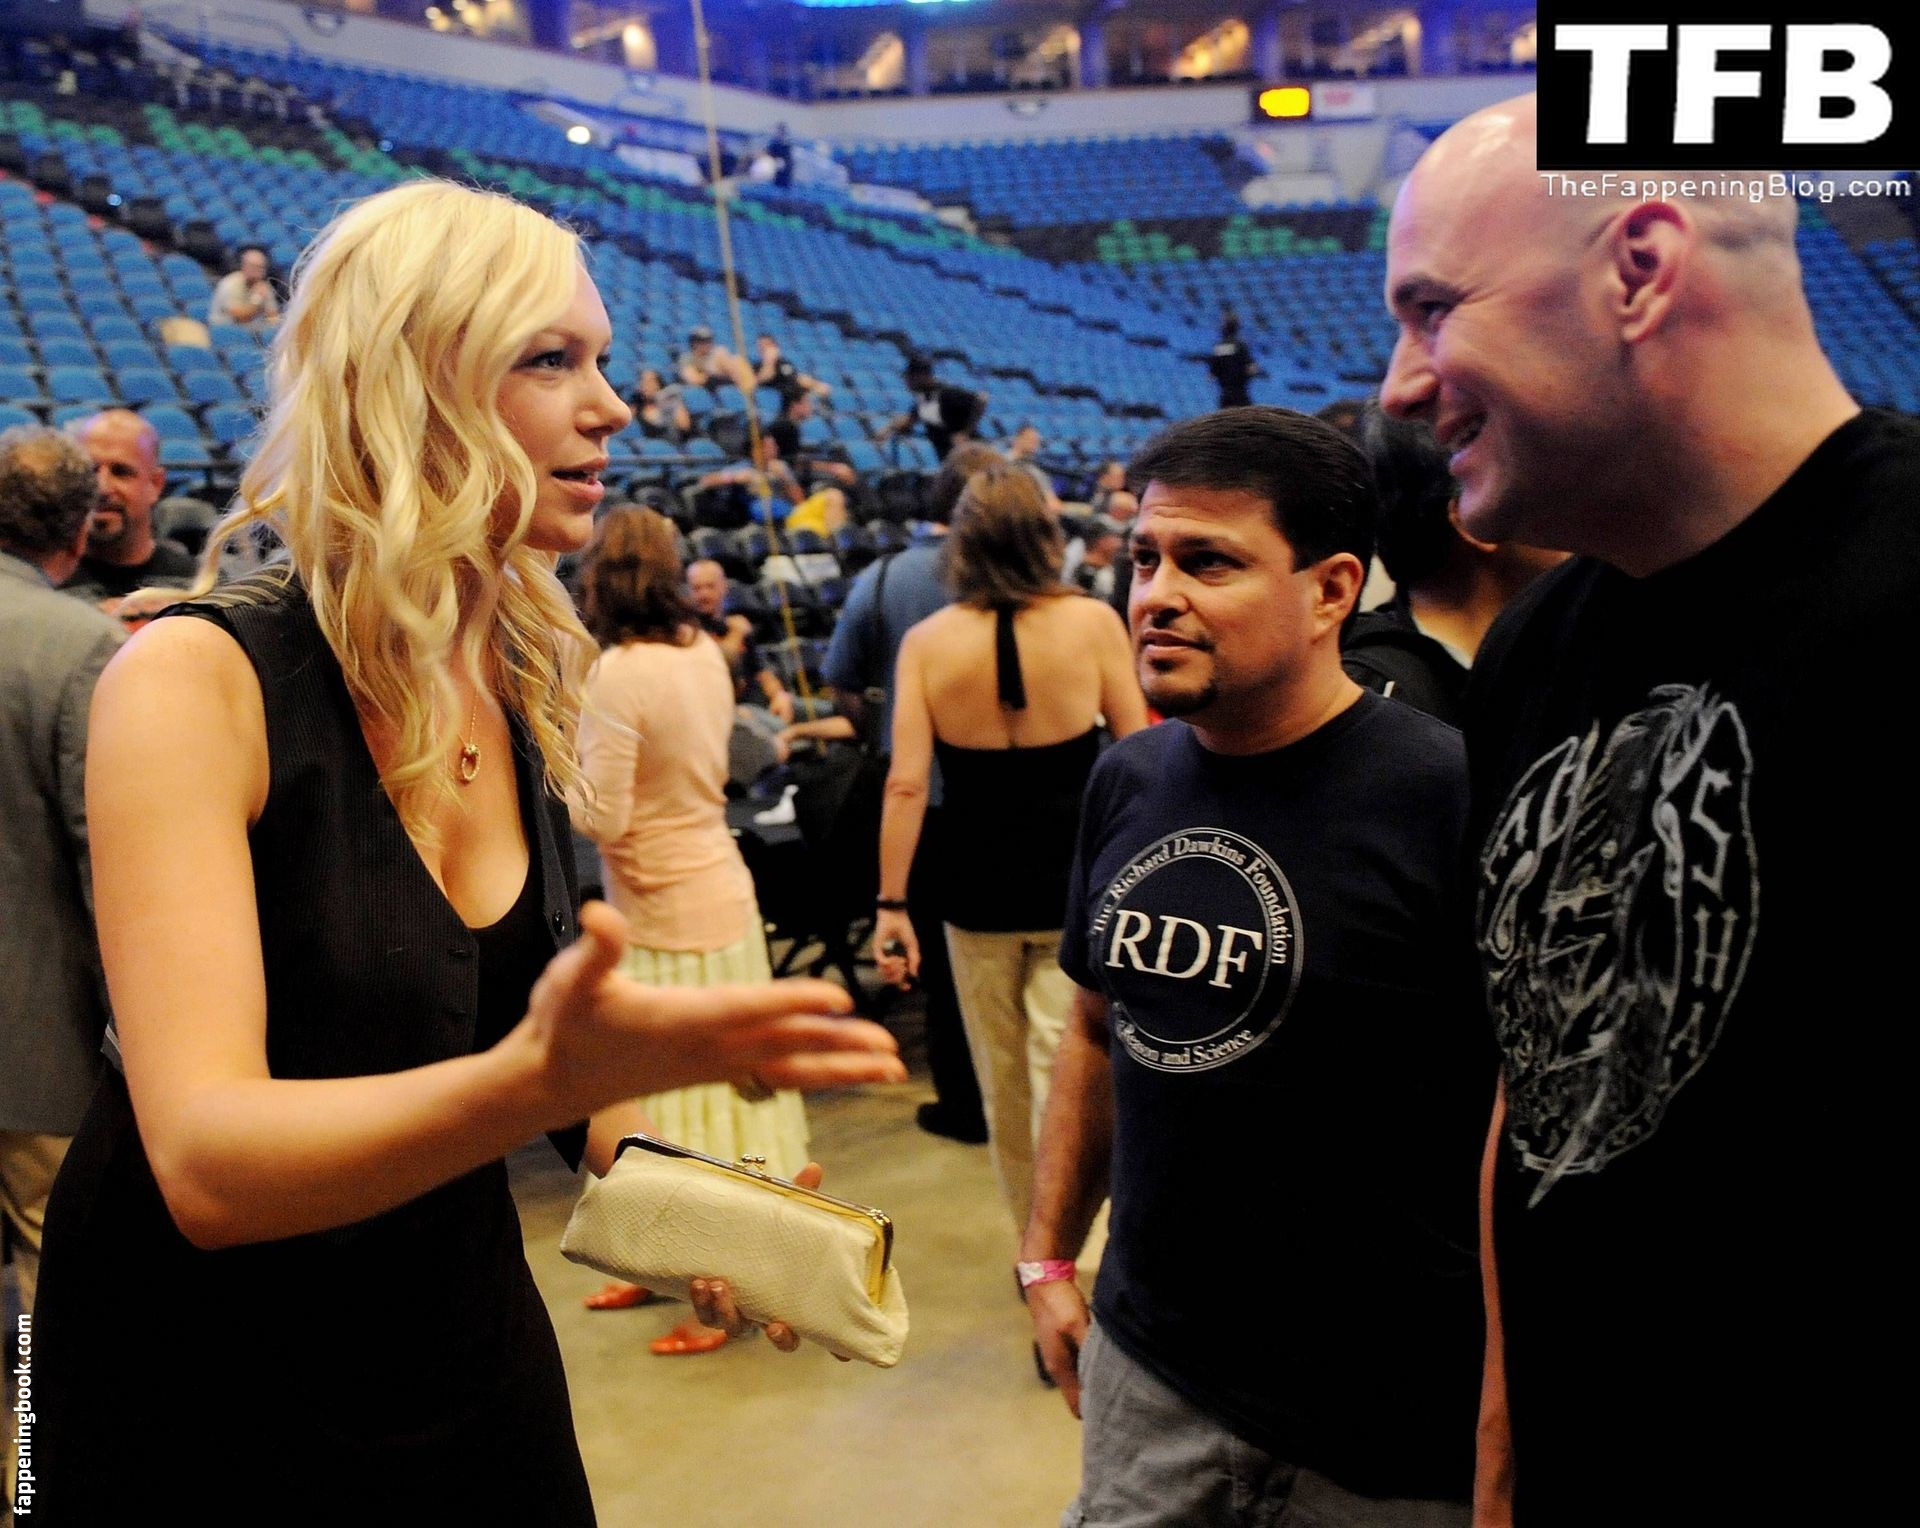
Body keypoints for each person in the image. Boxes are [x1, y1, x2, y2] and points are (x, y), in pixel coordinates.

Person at [28, 180, 903, 1525]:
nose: (611, 406)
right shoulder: (194, 683)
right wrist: (533, 1081)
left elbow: (546, 1072)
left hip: (454, 1325)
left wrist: (711, 1216)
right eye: (550, 359)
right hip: (204, 1386)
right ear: (409, 386)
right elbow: (207, 1165)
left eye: (600, 357)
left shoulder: (520, 672)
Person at [1381, 94, 1920, 1526]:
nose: (1398, 385)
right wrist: (1504, 1440)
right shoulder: (1533, 650)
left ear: (1640, 269)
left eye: (1433, 310)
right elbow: (1531, 1082)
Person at [1024, 407, 1489, 1526]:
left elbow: (1517, 1122)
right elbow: (1093, 1027)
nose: (1156, 594)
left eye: (1209, 562)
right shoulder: (1129, 779)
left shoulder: (1453, 793)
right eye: (1144, 558)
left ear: (1332, 590)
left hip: (1390, 1419)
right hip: (1152, 1382)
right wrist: (1047, 1257)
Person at [873, 464, 1145, 1277]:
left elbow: (907, 783)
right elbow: (1138, 755)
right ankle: (1087, 1258)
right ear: (1045, 539)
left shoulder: (928, 642)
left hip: (973, 888)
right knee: (1073, 1075)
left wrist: (891, 902)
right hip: (1076, 883)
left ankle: (1038, 1261)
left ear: (963, 544)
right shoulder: (1092, 622)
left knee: (1006, 1089)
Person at [572, 508, 813, 1351]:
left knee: (676, 1108)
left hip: (661, 913)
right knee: (722, 1102)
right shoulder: (704, 650)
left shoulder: (618, 673)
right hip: (719, 890)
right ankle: (668, 1264)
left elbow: (602, 817)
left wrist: (549, 759)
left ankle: (721, 1292)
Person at [0, 426, 122, 1514]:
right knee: (55, 1292)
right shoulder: (79, 645)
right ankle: (37, 1490)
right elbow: (106, 867)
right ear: (81, 531)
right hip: (40, 1047)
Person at [824, 441, 1003, 1145]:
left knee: (942, 959)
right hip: (1010, 796)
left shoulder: (883, 578)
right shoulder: (1019, 579)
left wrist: (891, 730)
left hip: (919, 801)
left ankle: (963, 1102)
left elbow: (842, 679)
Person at [1340, 402, 1564, 726]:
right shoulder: (1375, 707)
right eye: (1548, 490)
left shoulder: (1567, 648)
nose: (1574, 512)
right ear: (1475, 523)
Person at [58, 409, 198, 607]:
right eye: (90, 471)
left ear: (155, 484)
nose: (102, 488)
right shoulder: (45, 584)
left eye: (121, 472)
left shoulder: (197, 585)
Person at [888, 355, 988, 461]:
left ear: (922, 376)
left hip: (970, 454)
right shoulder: (924, 398)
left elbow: (982, 398)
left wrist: (965, 433)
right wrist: (888, 430)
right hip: (950, 456)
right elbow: (910, 419)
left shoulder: (945, 393)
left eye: (909, 378)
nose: (906, 382)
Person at [206, 244, 280, 330]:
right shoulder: (230, 284)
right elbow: (241, 317)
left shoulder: (262, 286)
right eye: (254, 267)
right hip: (226, 329)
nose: (258, 272)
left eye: (262, 268)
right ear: (244, 266)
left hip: (253, 329)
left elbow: (273, 315)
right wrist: (257, 299)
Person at [755, 334, 831, 406]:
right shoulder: (757, 366)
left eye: (767, 345)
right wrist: (769, 362)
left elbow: (795, 377)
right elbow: (760, 381)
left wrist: (815, 384)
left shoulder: (784, 363)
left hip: (794, 399)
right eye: (761, 346)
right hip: (776, 402)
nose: (764, 348)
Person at [677, 324, 754, 395]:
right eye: (703, 342)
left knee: (737, 359)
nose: (708, 345)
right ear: (694, 344)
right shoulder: (687, 358)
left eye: (709, 341)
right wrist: (710, 375)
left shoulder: (716, 354)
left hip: (721, 387)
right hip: (704, 390)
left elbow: (732, 373)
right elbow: (692, 379)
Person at [1206, 310, 1258, 409]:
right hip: (1240, 393)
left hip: (1225, 394)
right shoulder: (1240, 345)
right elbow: (1252, 368)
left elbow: (1210, 376)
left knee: (1225, 417)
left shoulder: (1218, 347)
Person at [633, 367, 692, 443]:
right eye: (642, 381)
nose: (645, 385)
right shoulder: (637, 407)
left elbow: (684, 426)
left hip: (675, 442)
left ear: (658, 384)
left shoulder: (671, 402)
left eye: (650, 382)